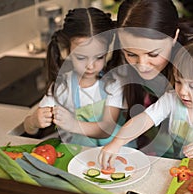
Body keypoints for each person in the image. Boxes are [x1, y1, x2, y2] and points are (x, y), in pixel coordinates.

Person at [99, 35, 193, 168]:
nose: (182, 91)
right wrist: (116, 143)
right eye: (179, 81)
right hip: (177, 166)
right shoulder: (172, 99)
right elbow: (143, 120)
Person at [104, 0, 193, 156]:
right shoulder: (119, 62)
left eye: (153, 54)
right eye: (131, 54)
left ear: (174, 37)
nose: (142, 65)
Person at [23, 8, 133, 147]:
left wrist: (73, 125)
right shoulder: (62, 86)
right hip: (78, 157)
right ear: (67, 51)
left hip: (117, 154)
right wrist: (33, 121)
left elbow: (107, 128)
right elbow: (28, 128)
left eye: (99, 57)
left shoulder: (114, 82)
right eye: (81, 57)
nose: (90, 66)